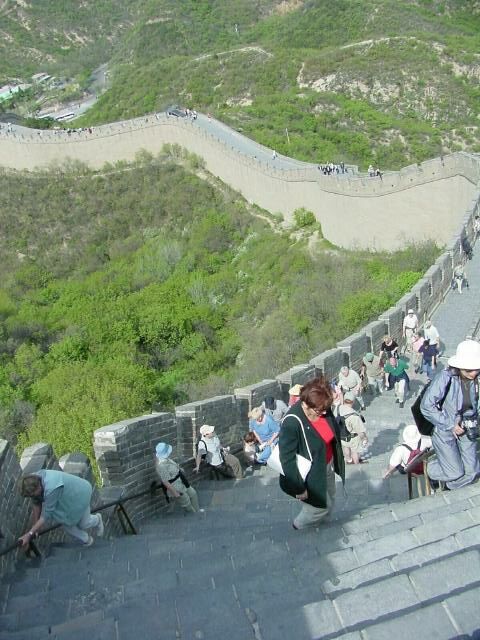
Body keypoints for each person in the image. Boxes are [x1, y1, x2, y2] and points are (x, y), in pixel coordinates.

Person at [278, 377, 345, 530]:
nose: (323, 413)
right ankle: (299, 526)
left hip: (327, 464)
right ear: (307, 404)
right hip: (311, 473)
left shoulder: (322, 407)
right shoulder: (292, 422)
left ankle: (324, 527)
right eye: (319, 410)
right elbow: (286, 459)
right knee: (319, 506)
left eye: (325, 409)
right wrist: (299, 488)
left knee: (331, 497)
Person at [420, 340, 480, 490]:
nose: (474, 373)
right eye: (469, 370)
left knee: (472, 472)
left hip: (469, 426)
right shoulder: (446, 377)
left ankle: (450, 488)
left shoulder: (478, 378)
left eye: (476, 369)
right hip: (445, 428)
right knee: (455, 471)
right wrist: (450, 425)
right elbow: (426, 406)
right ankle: (431, 469)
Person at [18, 470, 104, 548]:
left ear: (38, 487)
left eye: (33, 494)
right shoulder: (32, 480)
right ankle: (87, 540)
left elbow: (46, 515)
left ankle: (97, 519)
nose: (33, 496)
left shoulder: (52, 488)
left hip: (80, 494)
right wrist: (35, 526)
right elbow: (36, 502)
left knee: (83, 524)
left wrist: (29, 534)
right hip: (67, 499)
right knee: (66, 522)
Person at [154, 442, 202, 512]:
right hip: (175, 486)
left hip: (181, 480)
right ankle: (193, 514)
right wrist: (175, 493)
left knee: (193, 493)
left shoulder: (166, 459)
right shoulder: (161, 466)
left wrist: (179, 469)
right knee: (186, 501)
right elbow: (165, 482)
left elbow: (173, 466)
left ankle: (197, 510)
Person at [338, 391, 368, 464]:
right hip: (353, 437)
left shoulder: (338, 408)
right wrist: (364, 438)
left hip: (341, 435)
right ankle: (356, 464)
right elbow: (360, 431)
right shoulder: (354, 416)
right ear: (353, 401)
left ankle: (348, 460)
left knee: (345, 447)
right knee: (355, 452)